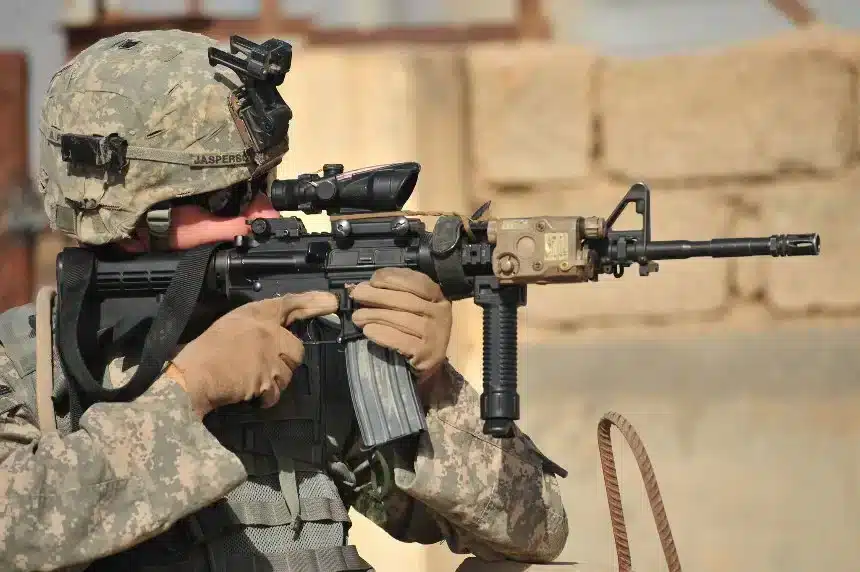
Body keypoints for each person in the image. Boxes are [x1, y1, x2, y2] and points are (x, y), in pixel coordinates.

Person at [0, 29, 568, 572]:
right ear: (128, 225)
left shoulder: (310, 354)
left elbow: (534, 530)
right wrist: (189, 390)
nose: (266, 216)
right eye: (227, 199)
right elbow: (12, 535)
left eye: (267, 186)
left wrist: (433, 393)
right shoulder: (23, 370)